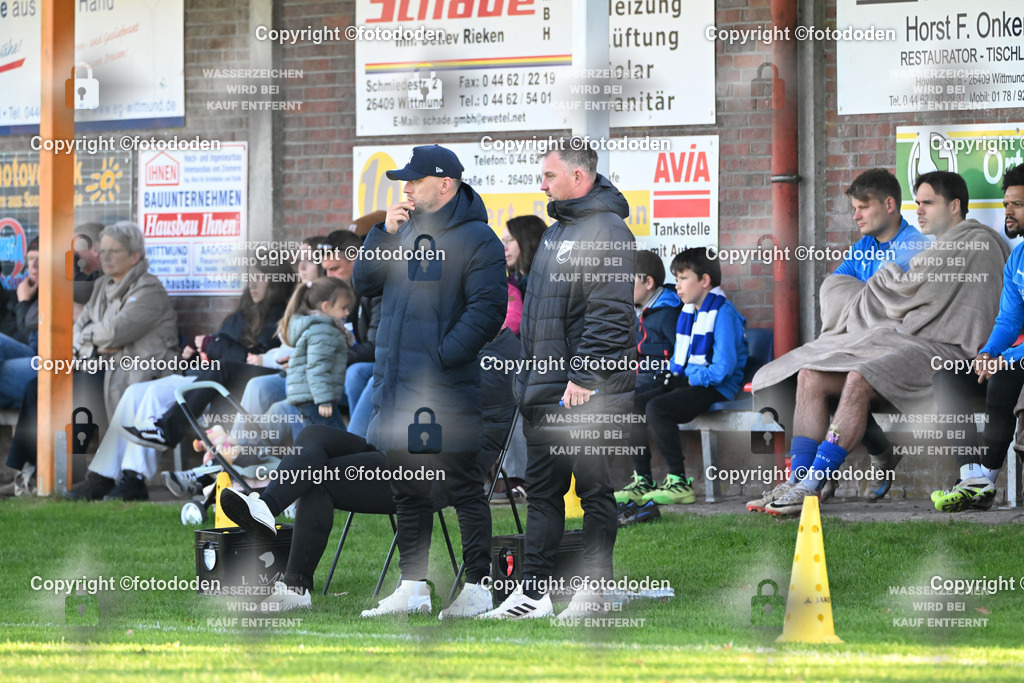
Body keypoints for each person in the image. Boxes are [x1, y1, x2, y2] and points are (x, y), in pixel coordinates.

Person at [750, 171, 1009, 516]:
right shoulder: (910, 248)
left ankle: (812, 485)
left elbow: (910, 296)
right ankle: (799, 479)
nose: (918, 211)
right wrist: (886, 287)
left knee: (860, 374)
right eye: (917, 203)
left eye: (927, 203)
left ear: (955, 205)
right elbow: (842, 289)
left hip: (941, 350)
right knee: (811, 373)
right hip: (898, 342)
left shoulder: (979, 243)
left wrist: (883, 283)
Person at [481, 139, 636, 620]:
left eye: (549, 176)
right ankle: (534, 593)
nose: (541, 184)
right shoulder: (555, 232)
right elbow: (539, 320)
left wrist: (585, 377)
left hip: (586, 391)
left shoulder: (608, 230)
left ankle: (596, 591)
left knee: (593, 493)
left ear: (579, 177)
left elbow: (610, 315)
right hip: (545, 391)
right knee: (544, 495)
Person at [353, 144, 507, 618]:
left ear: (444, 184)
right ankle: (413, 586)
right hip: (397, 387)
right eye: (404, 181)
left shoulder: (478, 238)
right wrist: (384, 231)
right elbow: (364, 283)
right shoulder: (402, 231)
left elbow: (488, 311)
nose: (405, 188)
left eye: (414, 181)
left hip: (442, 387)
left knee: (460, 484)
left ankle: (480, 583)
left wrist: (443, 357)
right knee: (408, 489)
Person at [748, 168, 928, 510]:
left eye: (863, 207)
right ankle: (801, 480)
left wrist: (864, 298)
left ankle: (823, 476)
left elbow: (890, 308)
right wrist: (865, 295)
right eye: (854, 208)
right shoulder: (863, 247)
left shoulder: (917, 248)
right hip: (851, 347)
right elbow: (834, 289)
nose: (856, 215)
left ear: (889, 205)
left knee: (853, 380)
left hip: (896, 354)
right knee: (805, 374)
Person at [68, 268, 291, 501]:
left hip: (230, 386)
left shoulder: (279, 317)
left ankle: (135, 475)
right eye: (250, 277)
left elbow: (248, 361)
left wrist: (212, 344)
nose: (253, 284)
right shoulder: (241, 314)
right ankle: (102, 475)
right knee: (136, 392)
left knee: (154, 395)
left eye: (261, 278)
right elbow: (221, 348)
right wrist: (196, 351)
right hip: (203, 375)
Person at [5, 221, 179, 495]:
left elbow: (114, 332)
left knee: (73, 390)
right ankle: (27, 470)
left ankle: (79, 476)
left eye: (114, 251)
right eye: (104, 251)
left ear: (135, 255)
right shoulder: (101, 287)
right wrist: (97, 345)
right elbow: (81, 332)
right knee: (39, 387)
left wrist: (96, 340)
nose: (105, 257)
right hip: (102, 367)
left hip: (136, 374)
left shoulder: (149, 291)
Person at [615, 248, 744, 506]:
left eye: (683, 278)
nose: (677, 285)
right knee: (631, 404)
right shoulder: (690, 312)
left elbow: (723, 369)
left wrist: (686, 378)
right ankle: (643, 480)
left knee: (658, 408)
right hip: (693, 379)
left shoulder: (723, 314)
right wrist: (673, 375)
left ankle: (679, 482)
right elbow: (679, 360)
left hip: (716, 386)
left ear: (704, 281)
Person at [930, 163, 1024, 512]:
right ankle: (970, 474)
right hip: (1016, 359)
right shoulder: (1017, 260)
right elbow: (1009, 320)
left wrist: (1005, 359)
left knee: (1004, 373)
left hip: (1018, 364)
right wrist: (987, 353)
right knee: (948, 376)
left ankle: (987, 478)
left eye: (1017, 205)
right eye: (1006, 204)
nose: (1008, 212)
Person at [276, 277, 351, 431]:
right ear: (326, 307)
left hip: (307, 396)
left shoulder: (316, 328)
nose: (347, 312)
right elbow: (317, 368)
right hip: (315, 398)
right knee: (339, 438)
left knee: (314, 440)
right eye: (343, 308)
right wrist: (324, 400)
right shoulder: (325, 331)